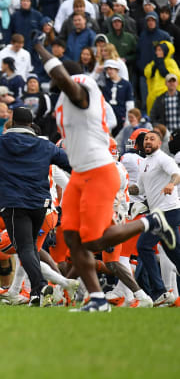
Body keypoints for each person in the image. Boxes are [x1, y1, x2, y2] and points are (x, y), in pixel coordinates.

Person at [32, 33, 176, 312]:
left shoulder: (80, 89)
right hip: (80, 173)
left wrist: (40, 48)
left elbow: (66, 82)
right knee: (73, 239)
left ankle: (153, 222)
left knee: (95, 239)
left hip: (98, 171)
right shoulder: (71, 99)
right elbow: (106, 120)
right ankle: (98, 299)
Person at [0, 107, 73, 306]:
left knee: (24, 248)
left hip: (15, 203)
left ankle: (41, 285)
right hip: (41, 205)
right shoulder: (44, 145)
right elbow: (70, 164)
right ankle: (35, 293)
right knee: (31, 248)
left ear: (13, 122)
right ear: (30, 123)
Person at [128, 130, 180, 306]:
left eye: (152, 139)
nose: (148, 142)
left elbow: (176, 174)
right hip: (160, 213)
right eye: (146, 140)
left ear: (159, 143)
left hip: (168, 212)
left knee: (143, 245)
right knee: (176, 254)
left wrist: (171, 184)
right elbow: (139, 189)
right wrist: (121, 189)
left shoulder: (164, 159)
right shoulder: (144, 163)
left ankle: (160, 292)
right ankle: (163, 293)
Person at [144, 41, 180, 112]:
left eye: (160, 50)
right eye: (157, 50)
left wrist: (160, 63)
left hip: (167, 92)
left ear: (165, 51)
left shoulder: (171, 62)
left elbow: (169, 75)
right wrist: (155, 65)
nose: (158, 52)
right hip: (153, 93)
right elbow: (148, 74)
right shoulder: (154, 62)